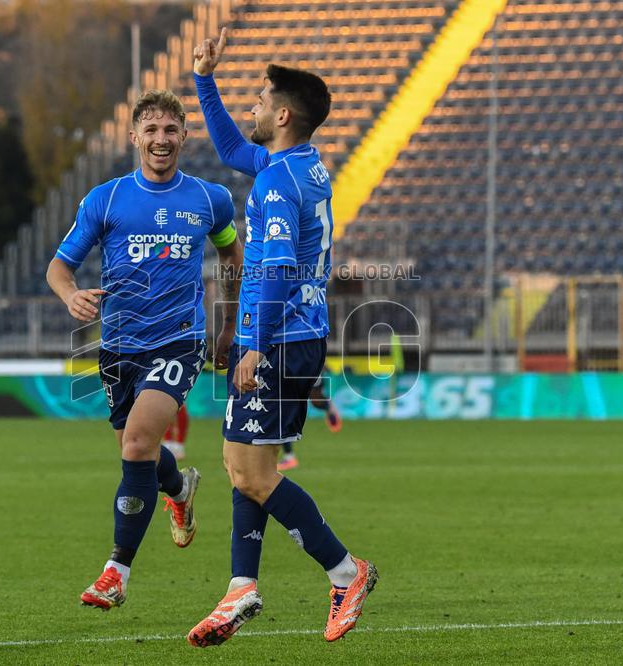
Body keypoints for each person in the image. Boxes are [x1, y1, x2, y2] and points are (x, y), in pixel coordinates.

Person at [187, 28, 377, 646]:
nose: (253, 108)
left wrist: (252, 345)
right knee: (244, 465)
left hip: (280, 337)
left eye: (260, 100)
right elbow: (230, 148)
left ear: (284, 114)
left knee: (250, 471)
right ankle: (242, 586)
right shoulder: (300, 167)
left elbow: (270, 271)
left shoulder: (275, 185)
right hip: (300, 333)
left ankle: (347, 572)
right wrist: (204, 82)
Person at [47, 89, 243, 611]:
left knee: (136, 446)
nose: (161, 140)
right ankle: (179, 491)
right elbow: (59, 268)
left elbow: (231, 253)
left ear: (184, 136)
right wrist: (71, 296)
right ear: (135, 138)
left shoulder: (210, 199)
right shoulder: (105, 199)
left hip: (178, 341)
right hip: (118, 348)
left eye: (171, 130)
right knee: (141, 453)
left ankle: (116, 572)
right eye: (151, 131)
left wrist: (228, 326)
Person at [278, 372, 343, 471]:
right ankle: (289, 457)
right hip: (290, 372)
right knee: (283, 415)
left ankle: (329, 408)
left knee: (316, 402)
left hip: (307, 368)